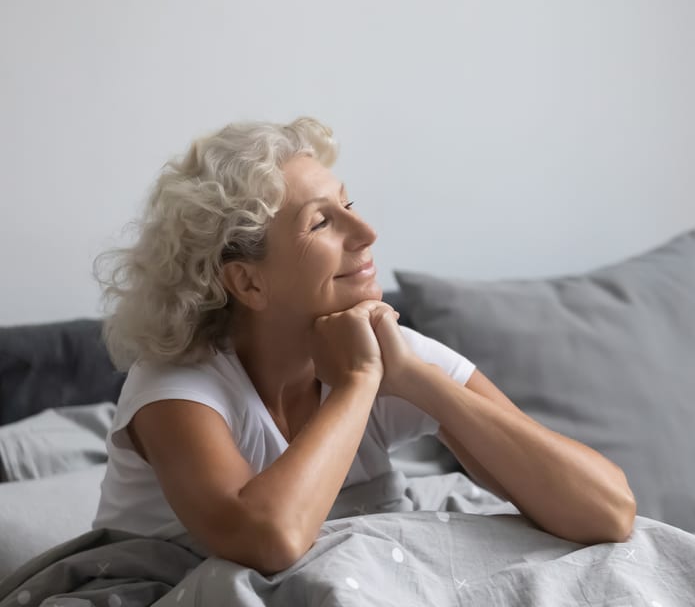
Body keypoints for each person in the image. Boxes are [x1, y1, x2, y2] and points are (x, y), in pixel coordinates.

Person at [92, 117, 636, 575]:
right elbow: (270, 540)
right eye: (322, 222)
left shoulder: (384, 348)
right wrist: (357, 384)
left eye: (349, 203)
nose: (366, 231)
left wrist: (415, 379)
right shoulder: (174, 388)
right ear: (249, 283)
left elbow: (607, 511)